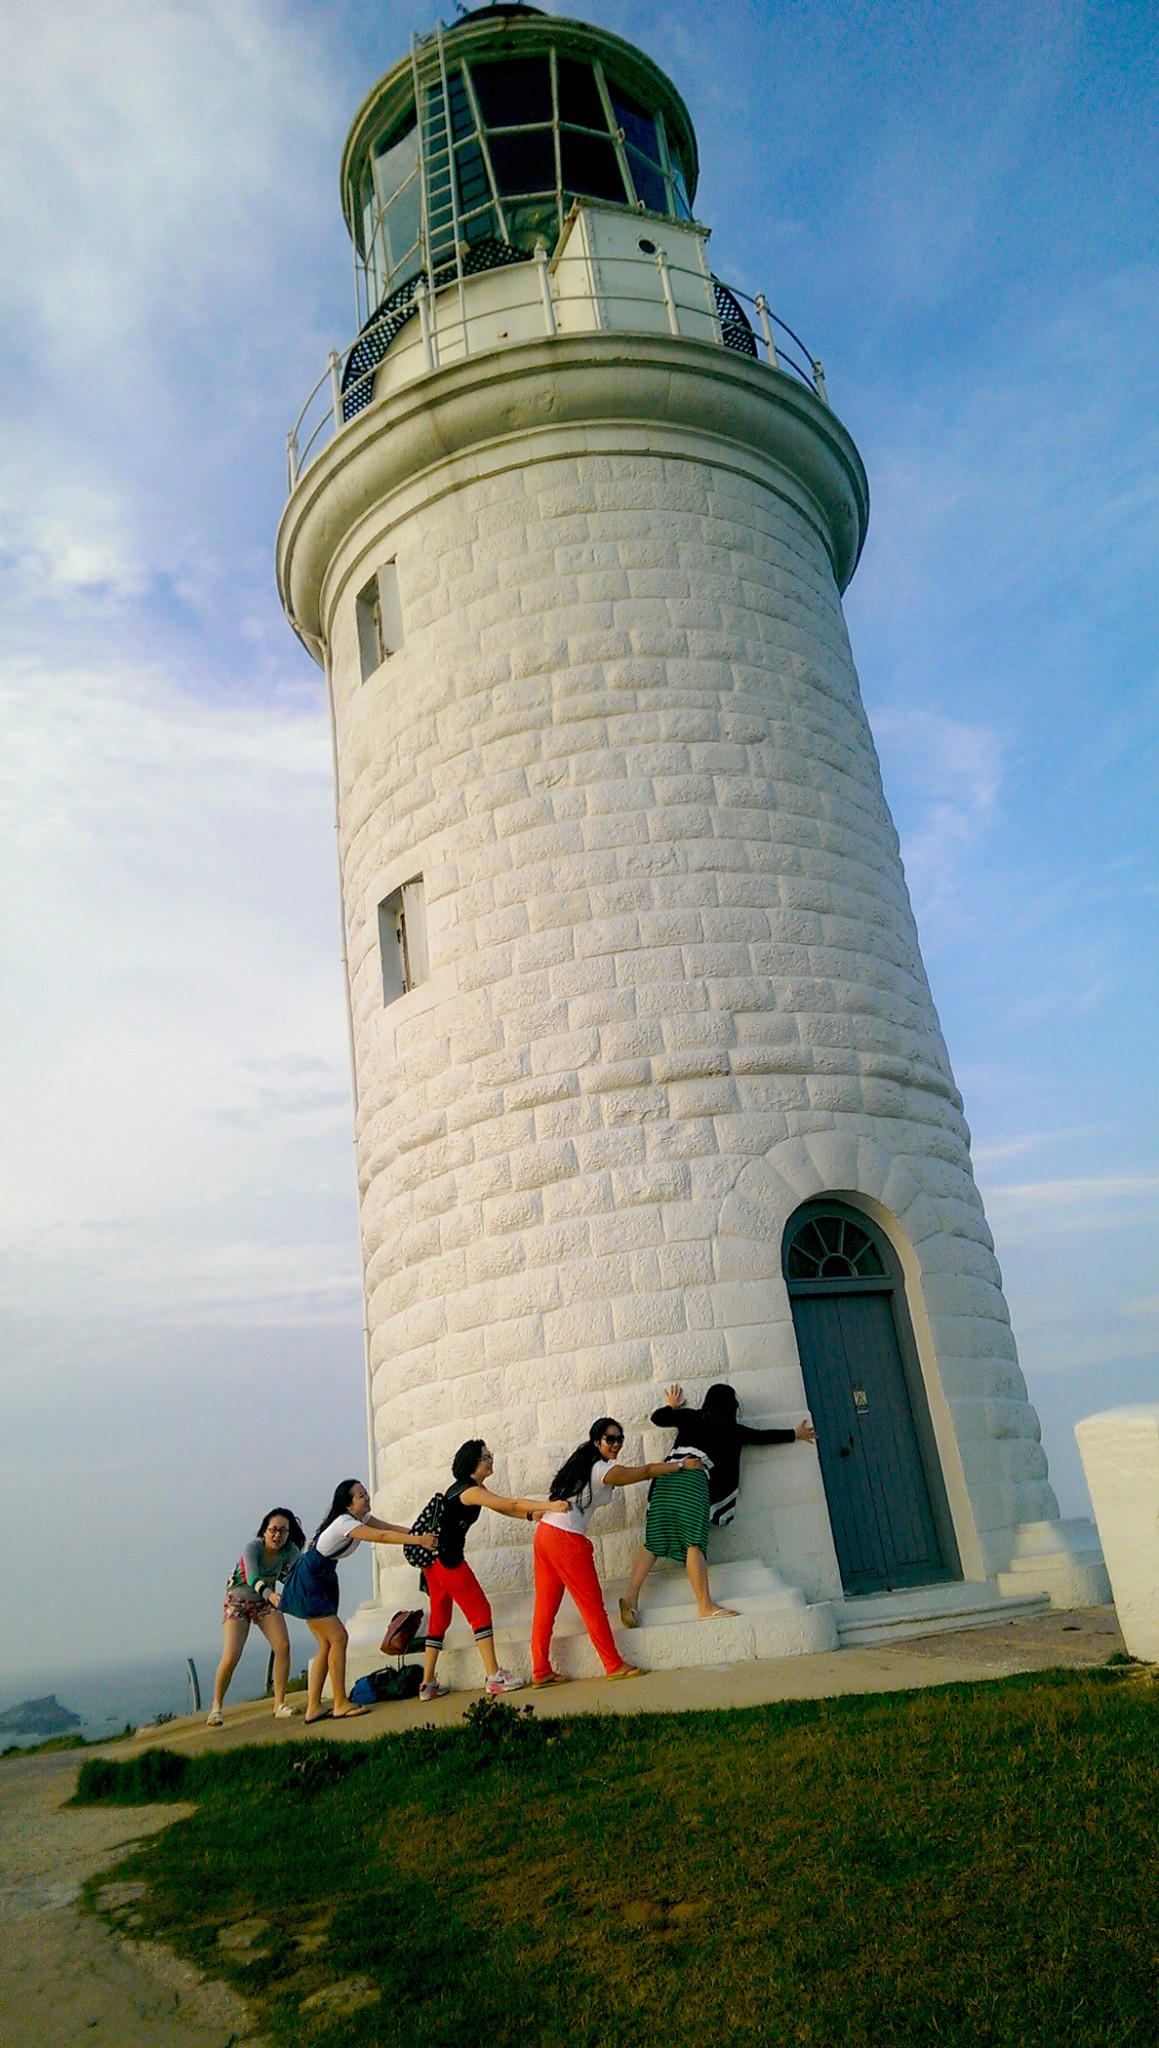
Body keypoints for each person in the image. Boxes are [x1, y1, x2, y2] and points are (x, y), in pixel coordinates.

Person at [620, 1383, 817, 1627]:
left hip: (666, 1477)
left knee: (654, 1540)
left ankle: (630, 1597)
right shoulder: (732, 1429)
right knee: (693, 1542)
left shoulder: (691, 1417)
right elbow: (761, 1436)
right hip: (693, 1480)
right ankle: (705, 1606)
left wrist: (672, 1406)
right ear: (731, 1406)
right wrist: (794, 1433)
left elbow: (658, 1418)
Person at [530, 1418, 701, 1687]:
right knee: (592, 1606)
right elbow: (644, 1472)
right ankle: (613, 1664)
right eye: (610, 1439)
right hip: (565, 1538)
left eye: (620, 1438)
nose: (616, 1444)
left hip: (545, 1534)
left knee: (545, 1607)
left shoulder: (583, 1463)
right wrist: (681, 1465)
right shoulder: (600, 1470)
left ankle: (540, 1670)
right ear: (597, 1440)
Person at [278, 1480, 436, 1723]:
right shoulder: (345, 1523)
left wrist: (420, 1534)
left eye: (365, 1493)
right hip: (311, 1580)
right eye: (361, 1495)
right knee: (338, 1638)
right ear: (348, 1504)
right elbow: (382, 1536)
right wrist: (419, 1542)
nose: (366, 1497)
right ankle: (340, 1702)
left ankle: (314, 1707)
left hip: (320, 1577)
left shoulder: (360, 1519)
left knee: (326, 1643)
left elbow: (389, 1527)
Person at [419, 1441, 557, 1705]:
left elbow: (503, 1508)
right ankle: (493, 1675)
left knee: (439, 1620)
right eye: (486, 1457)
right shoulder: (469, 1492)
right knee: (480, 1612)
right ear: (474, 1463)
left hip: (433, 1565)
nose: (491, 1460)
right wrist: (551, 1506)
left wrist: (530, 1517)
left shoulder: (469, 1488)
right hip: (449, 1562)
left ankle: (427, 1683)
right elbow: (510, 1502)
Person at [207, 1507, 306, 1727]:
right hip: (239, 1600)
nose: (277, 1535)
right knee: (232, 1654)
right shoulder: (253, 1548)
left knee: (283, 1646)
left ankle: (279, 1704)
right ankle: (216, 1708)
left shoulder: (289, 1551)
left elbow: (300, 1573)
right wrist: (272, 1595)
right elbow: (252, 1577)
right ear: (264, 1530)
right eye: (273, 1530)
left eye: (283, 1531)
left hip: (264, 1602)